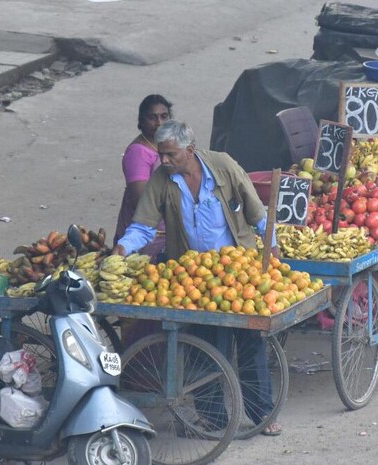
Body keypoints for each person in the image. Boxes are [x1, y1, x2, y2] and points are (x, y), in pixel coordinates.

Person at [112, 120, 282, 436]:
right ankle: (212, 418)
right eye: (160, 154)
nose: (163, 161)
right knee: (204, 345)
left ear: (190, 150)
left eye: (170, 155)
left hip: (237, 271)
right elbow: (144, 226)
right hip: (193, 276)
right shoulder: (162, 179)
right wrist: (123, 247)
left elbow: (257, 213)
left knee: (249, 341)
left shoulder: (223, 166)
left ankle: (262, 415)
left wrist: (271, 247)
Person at [113, 94, 173, 258]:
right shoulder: (138, 153)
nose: (159, 123)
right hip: (143, 237)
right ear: (142, 121)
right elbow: (142, 202)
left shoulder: (166, 145)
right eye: (152, 117)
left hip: (164, 232)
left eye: (164, 116)